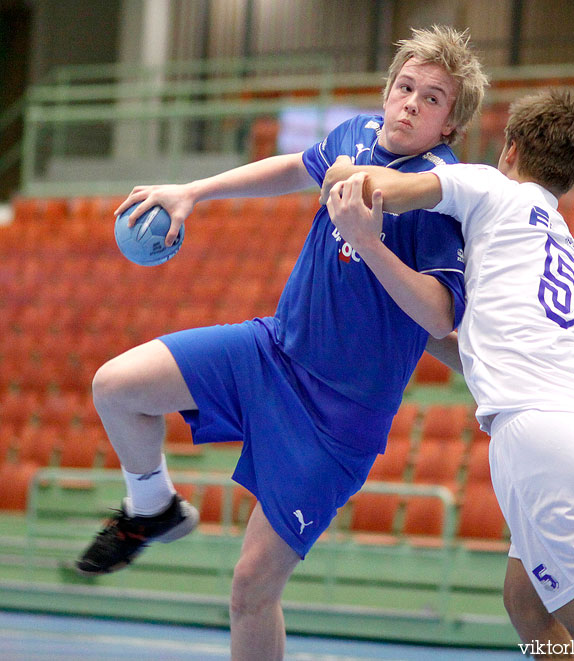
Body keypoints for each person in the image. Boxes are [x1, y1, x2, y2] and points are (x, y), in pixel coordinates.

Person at [75, 25, 487, 661]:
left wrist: (369, 240)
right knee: (117, 386)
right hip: (270, 353)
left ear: (449, 126)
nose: (410, 103)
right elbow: (294, 168)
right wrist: (193, 191)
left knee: (250, 590)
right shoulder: (354, 135)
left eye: (431, 100)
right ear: (386, 92)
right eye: (405, 87)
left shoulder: (438, 192)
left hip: (338, 418)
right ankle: (152, 505)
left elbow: (437, 315)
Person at [323, 90, 574, 658]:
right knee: (525, 603)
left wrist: (341, 162)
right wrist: (402, 318)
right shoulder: (555, 231)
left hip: (544, 434)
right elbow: (476, 349)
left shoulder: (494, 188)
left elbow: (376, 189)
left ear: (511, 148)